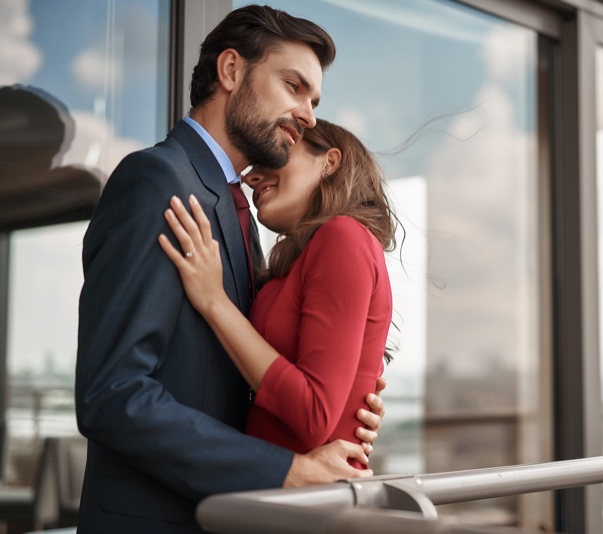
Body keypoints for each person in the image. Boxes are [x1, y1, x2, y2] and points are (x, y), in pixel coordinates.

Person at [75, 6, 385, 533]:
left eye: (314, 101)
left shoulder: (239, 213)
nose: (307, 114)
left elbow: (244, 371)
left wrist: (347, 404)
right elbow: (113, 392)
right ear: (232, 71)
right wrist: (285, 470)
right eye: (293, 86)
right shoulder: (158, 181)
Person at [159, 119, 394, 468]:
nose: (251, 177)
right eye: (253, 167)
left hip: (305, 508)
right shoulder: (301, 261)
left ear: (329, 162)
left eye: (275, 158)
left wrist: (213, 301)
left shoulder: (343, 237)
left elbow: (314, 414)